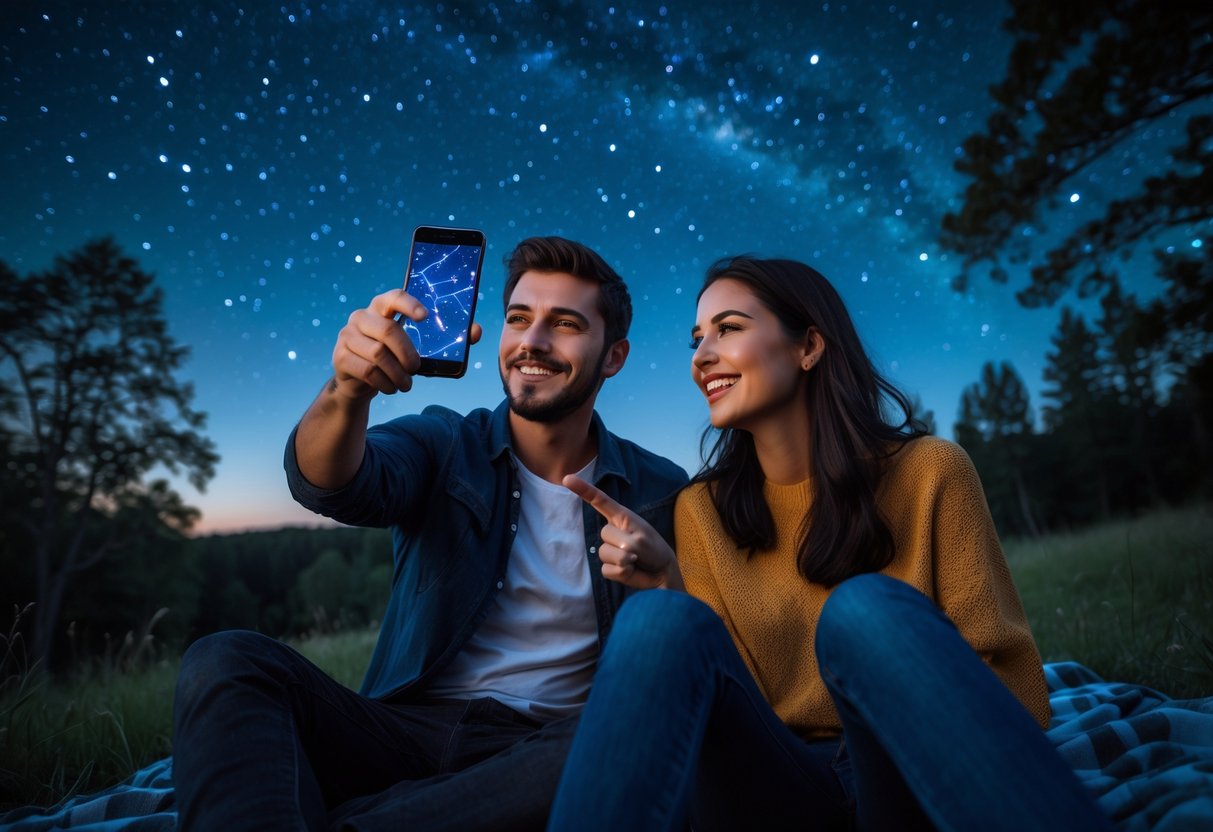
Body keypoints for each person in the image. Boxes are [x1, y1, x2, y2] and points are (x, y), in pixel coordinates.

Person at [546, 256, 1114, 831]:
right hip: (780, 789)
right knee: (656, 619)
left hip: (910, 774)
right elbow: (731, 701)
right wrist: (669, 586)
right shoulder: (702, 511)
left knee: (863, 608)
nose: (701, 357)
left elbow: (1014, 686)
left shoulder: (931, 472)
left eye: (729, 328)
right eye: (697, 339)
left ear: (809, 346)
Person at [171, 236, 687, 831]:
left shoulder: (662, 489)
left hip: (546, 750)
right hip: (399, 734)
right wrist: (347, 391)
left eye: (565, 324)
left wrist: (665, 581)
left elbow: (694, 652)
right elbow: (327, 484)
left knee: (628, 732)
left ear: (614, 356)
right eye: (519, 318)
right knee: (225, 659)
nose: (533, 341)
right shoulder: (446, 442)